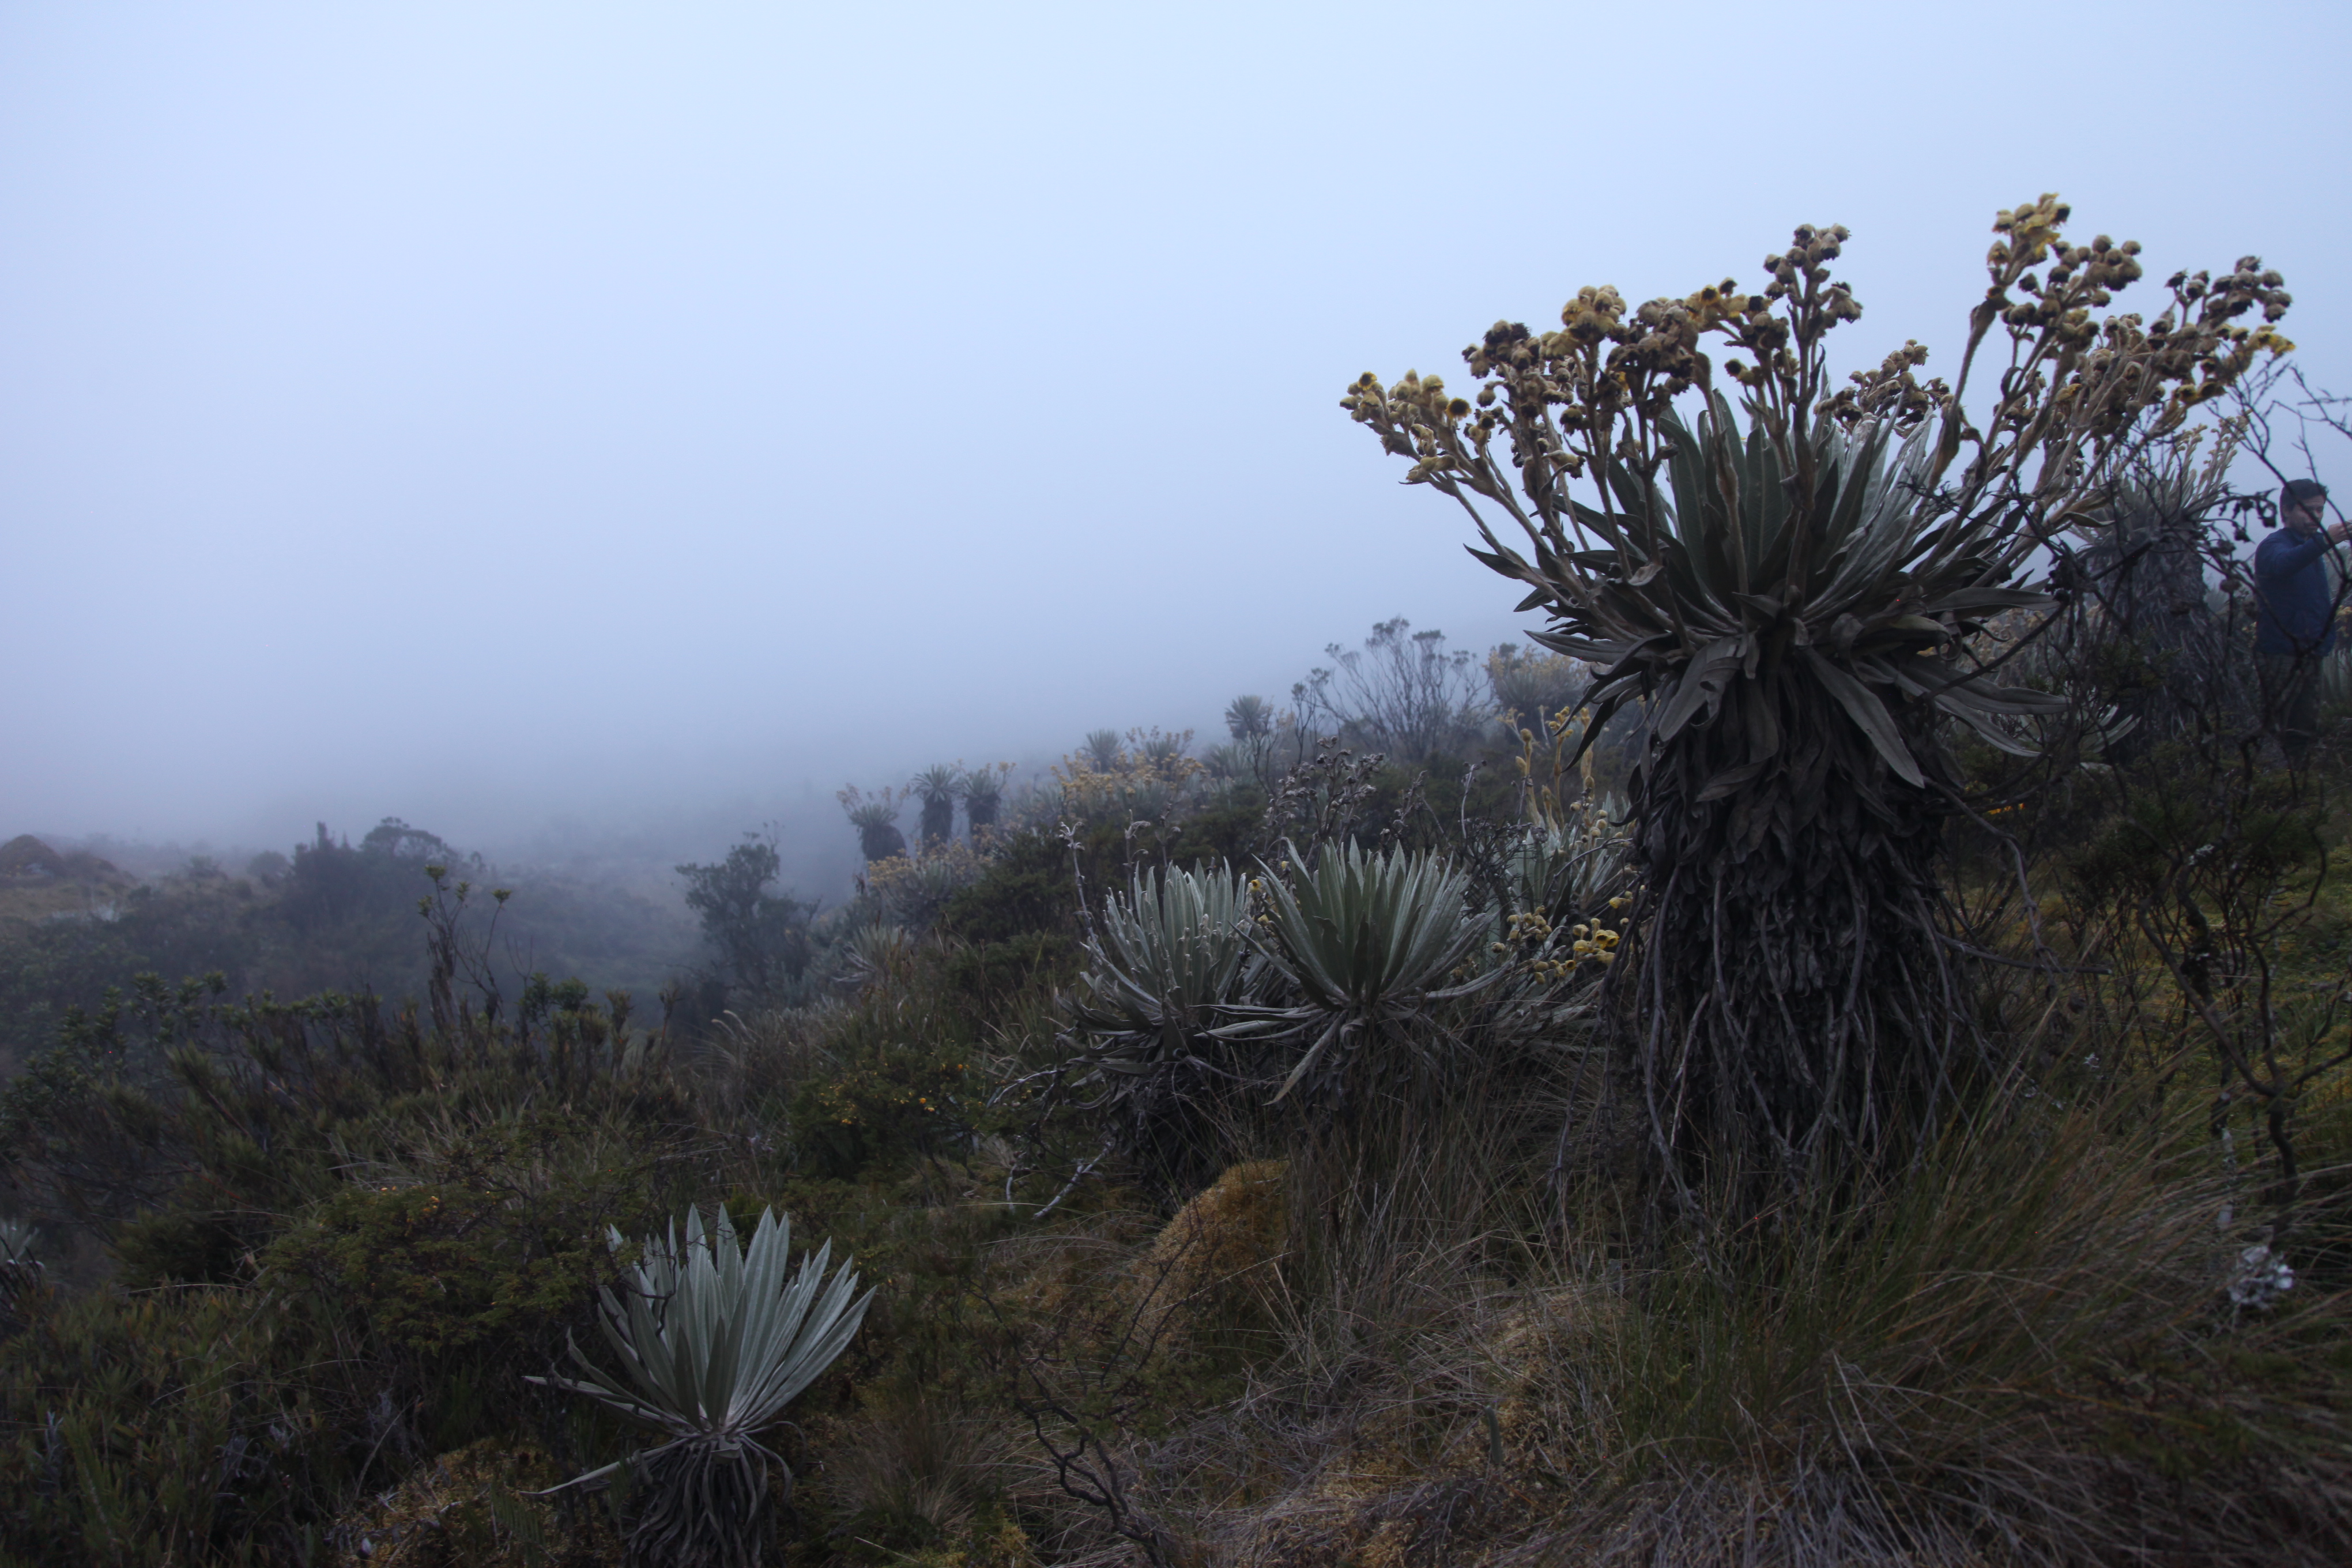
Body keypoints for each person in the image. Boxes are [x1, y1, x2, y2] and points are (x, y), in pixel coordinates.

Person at [2253, 478, 2350, 767]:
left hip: (2310, 653)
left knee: (2303, 732)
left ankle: (2296, 797)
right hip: (2281, 654)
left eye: (2320, 511)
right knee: (2275, 732)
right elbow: (2283, 565)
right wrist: (2326, 540)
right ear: (2286, 510)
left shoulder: (2311, 548)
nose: (2316, 518)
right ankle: (2267, 795)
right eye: (2309, 510)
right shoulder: (2275, 545)